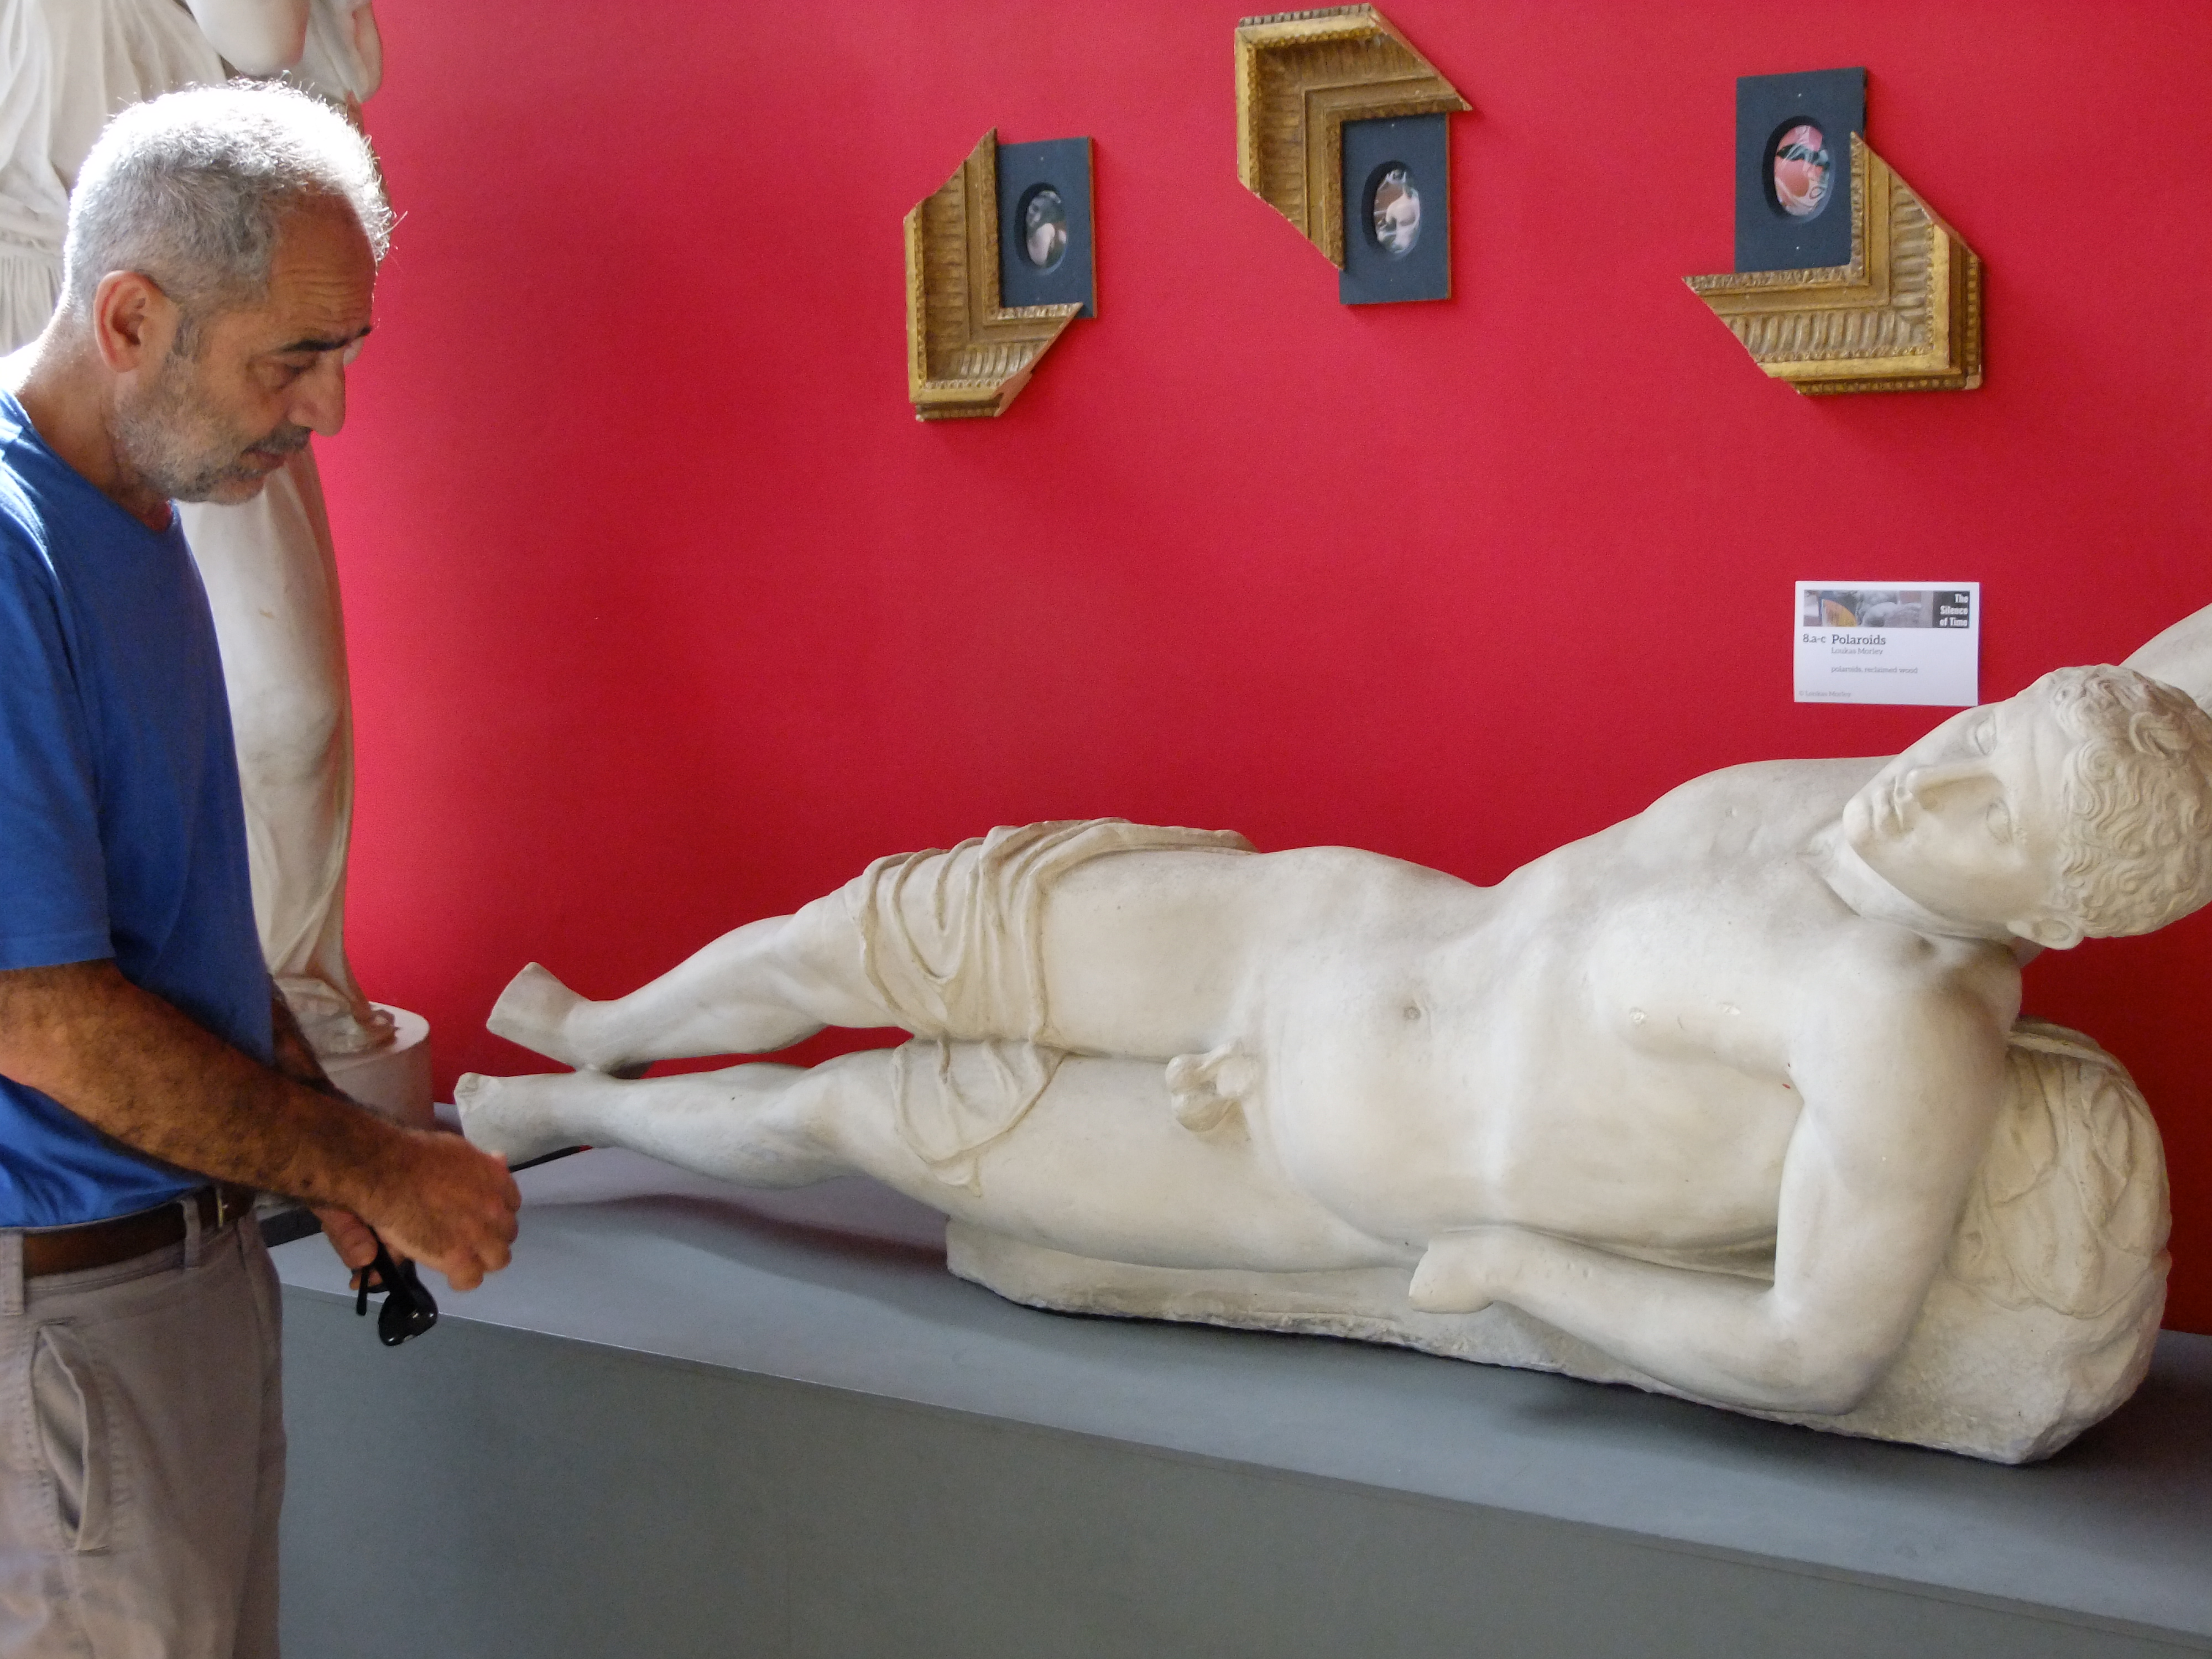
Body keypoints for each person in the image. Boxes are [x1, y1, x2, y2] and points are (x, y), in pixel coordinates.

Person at [459, 664, 2212, 1426]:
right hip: (1313, 931)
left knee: (868, 1112)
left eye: (1996, 813)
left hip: (1316, 1166)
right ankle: (608, 1032)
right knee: (883, 927)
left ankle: (566, 1120)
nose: (1941, 774)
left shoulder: (1905, 1027)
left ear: (2050, 914)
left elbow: (1816, 1351)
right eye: (1988, 728)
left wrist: (1520, 1267)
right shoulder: (1874, 801)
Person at [0, 85, 517, 1656]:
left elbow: (171, 936)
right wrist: (372, 1168)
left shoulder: (135, 519)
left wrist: (309, 1146)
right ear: (133, 316)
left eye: (341, 355)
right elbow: (39, 1016)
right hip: (69, 1331)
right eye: (290, 358)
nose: (326, 413)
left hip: (164, 1295)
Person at [1, 0, 397, 1060]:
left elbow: (269, 38)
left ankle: (278, 1000)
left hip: (224, 303)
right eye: (314, 372)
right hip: (41, 275)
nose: (336, 408)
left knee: (286, 708)